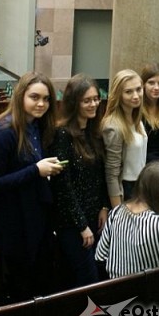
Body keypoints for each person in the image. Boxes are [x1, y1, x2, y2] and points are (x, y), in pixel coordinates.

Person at [0, 72, 63, 301]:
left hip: (33, 215)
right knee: (18, 285)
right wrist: (36, 171)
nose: (41, 104)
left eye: (46, 99)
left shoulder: (37, 126)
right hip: (10, 222)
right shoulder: (3, 132)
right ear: (21, 97)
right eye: (35, 97)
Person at [50, 74, 108, 288]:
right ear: (74, 103)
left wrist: (103, 206)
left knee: (96, 274)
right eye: (87, 100)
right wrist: (81, 225)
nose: (93, 104)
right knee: (87, 278)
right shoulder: (62, 134)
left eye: (96, 99)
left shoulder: (94, 131)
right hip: (72, 223)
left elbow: (99, 175)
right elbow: (63, 186)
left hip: (94, 216)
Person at [102, 69, 147, 206]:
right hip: (125, 189)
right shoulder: (113, 127)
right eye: (128, 92)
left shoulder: (136, 119)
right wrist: (118, 211)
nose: (136, 95)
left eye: (138, 89)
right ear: (118, 94)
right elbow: (111, 174)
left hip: (141, 184)